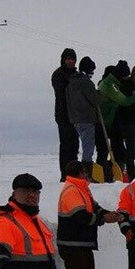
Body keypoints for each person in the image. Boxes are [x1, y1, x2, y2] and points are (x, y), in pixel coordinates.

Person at [56, 161, 122, 269]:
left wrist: (109, 215)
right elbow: (81, 216)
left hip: (81, 244)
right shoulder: (71, 190)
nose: (87, 175)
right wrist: (103, 219)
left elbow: (95, 208)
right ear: (80, 173)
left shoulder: (81, 189)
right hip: (72, 244)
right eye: (85, 172)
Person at [97, 61, 135, 181]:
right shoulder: (111, 85)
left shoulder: (113, 83)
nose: (127, 78)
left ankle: (112, 174)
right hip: (104, 121)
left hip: (110, 121)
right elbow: (123, 101)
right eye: (125, 75)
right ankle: (103, 176)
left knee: (118, 150)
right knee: (104, 150)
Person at [66, 56, 101, 178]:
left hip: (75, 120)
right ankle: (86, 175)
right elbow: (95, 100)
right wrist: (99, 95)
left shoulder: (71, 82)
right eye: (91, 71)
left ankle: (84, 173)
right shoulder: (86, 82)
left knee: (85, 146)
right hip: (87, 119)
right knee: (88, 148)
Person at [52, 48, 79, 181]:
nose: (70, 61)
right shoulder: (58, 74)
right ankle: (65, 174)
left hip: (76, 115)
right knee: (66, 145)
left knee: (75, 145)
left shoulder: (76, 74)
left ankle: (74, 173)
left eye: (72, 59)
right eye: (68, 59)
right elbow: (62, 94)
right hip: (63, 115)